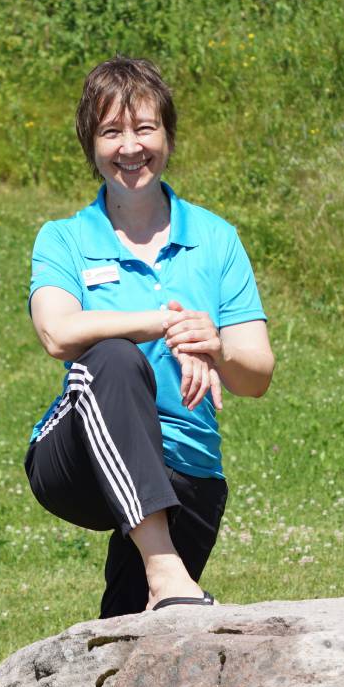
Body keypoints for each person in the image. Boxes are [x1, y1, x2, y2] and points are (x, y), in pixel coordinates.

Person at [24, 56, 275, 619]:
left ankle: (157, 582)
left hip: (186, 468)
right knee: (112, 357)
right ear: (90, 146)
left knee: (133, 637)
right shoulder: (64, 238)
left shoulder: (215, 239)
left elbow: (256, 375)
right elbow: (58, 333)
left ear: (168, 136)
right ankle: (164, 570)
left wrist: (216, 344)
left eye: (144, 129)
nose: (130, 148)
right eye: (111, 132)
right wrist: (162, 321)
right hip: (79, 459)